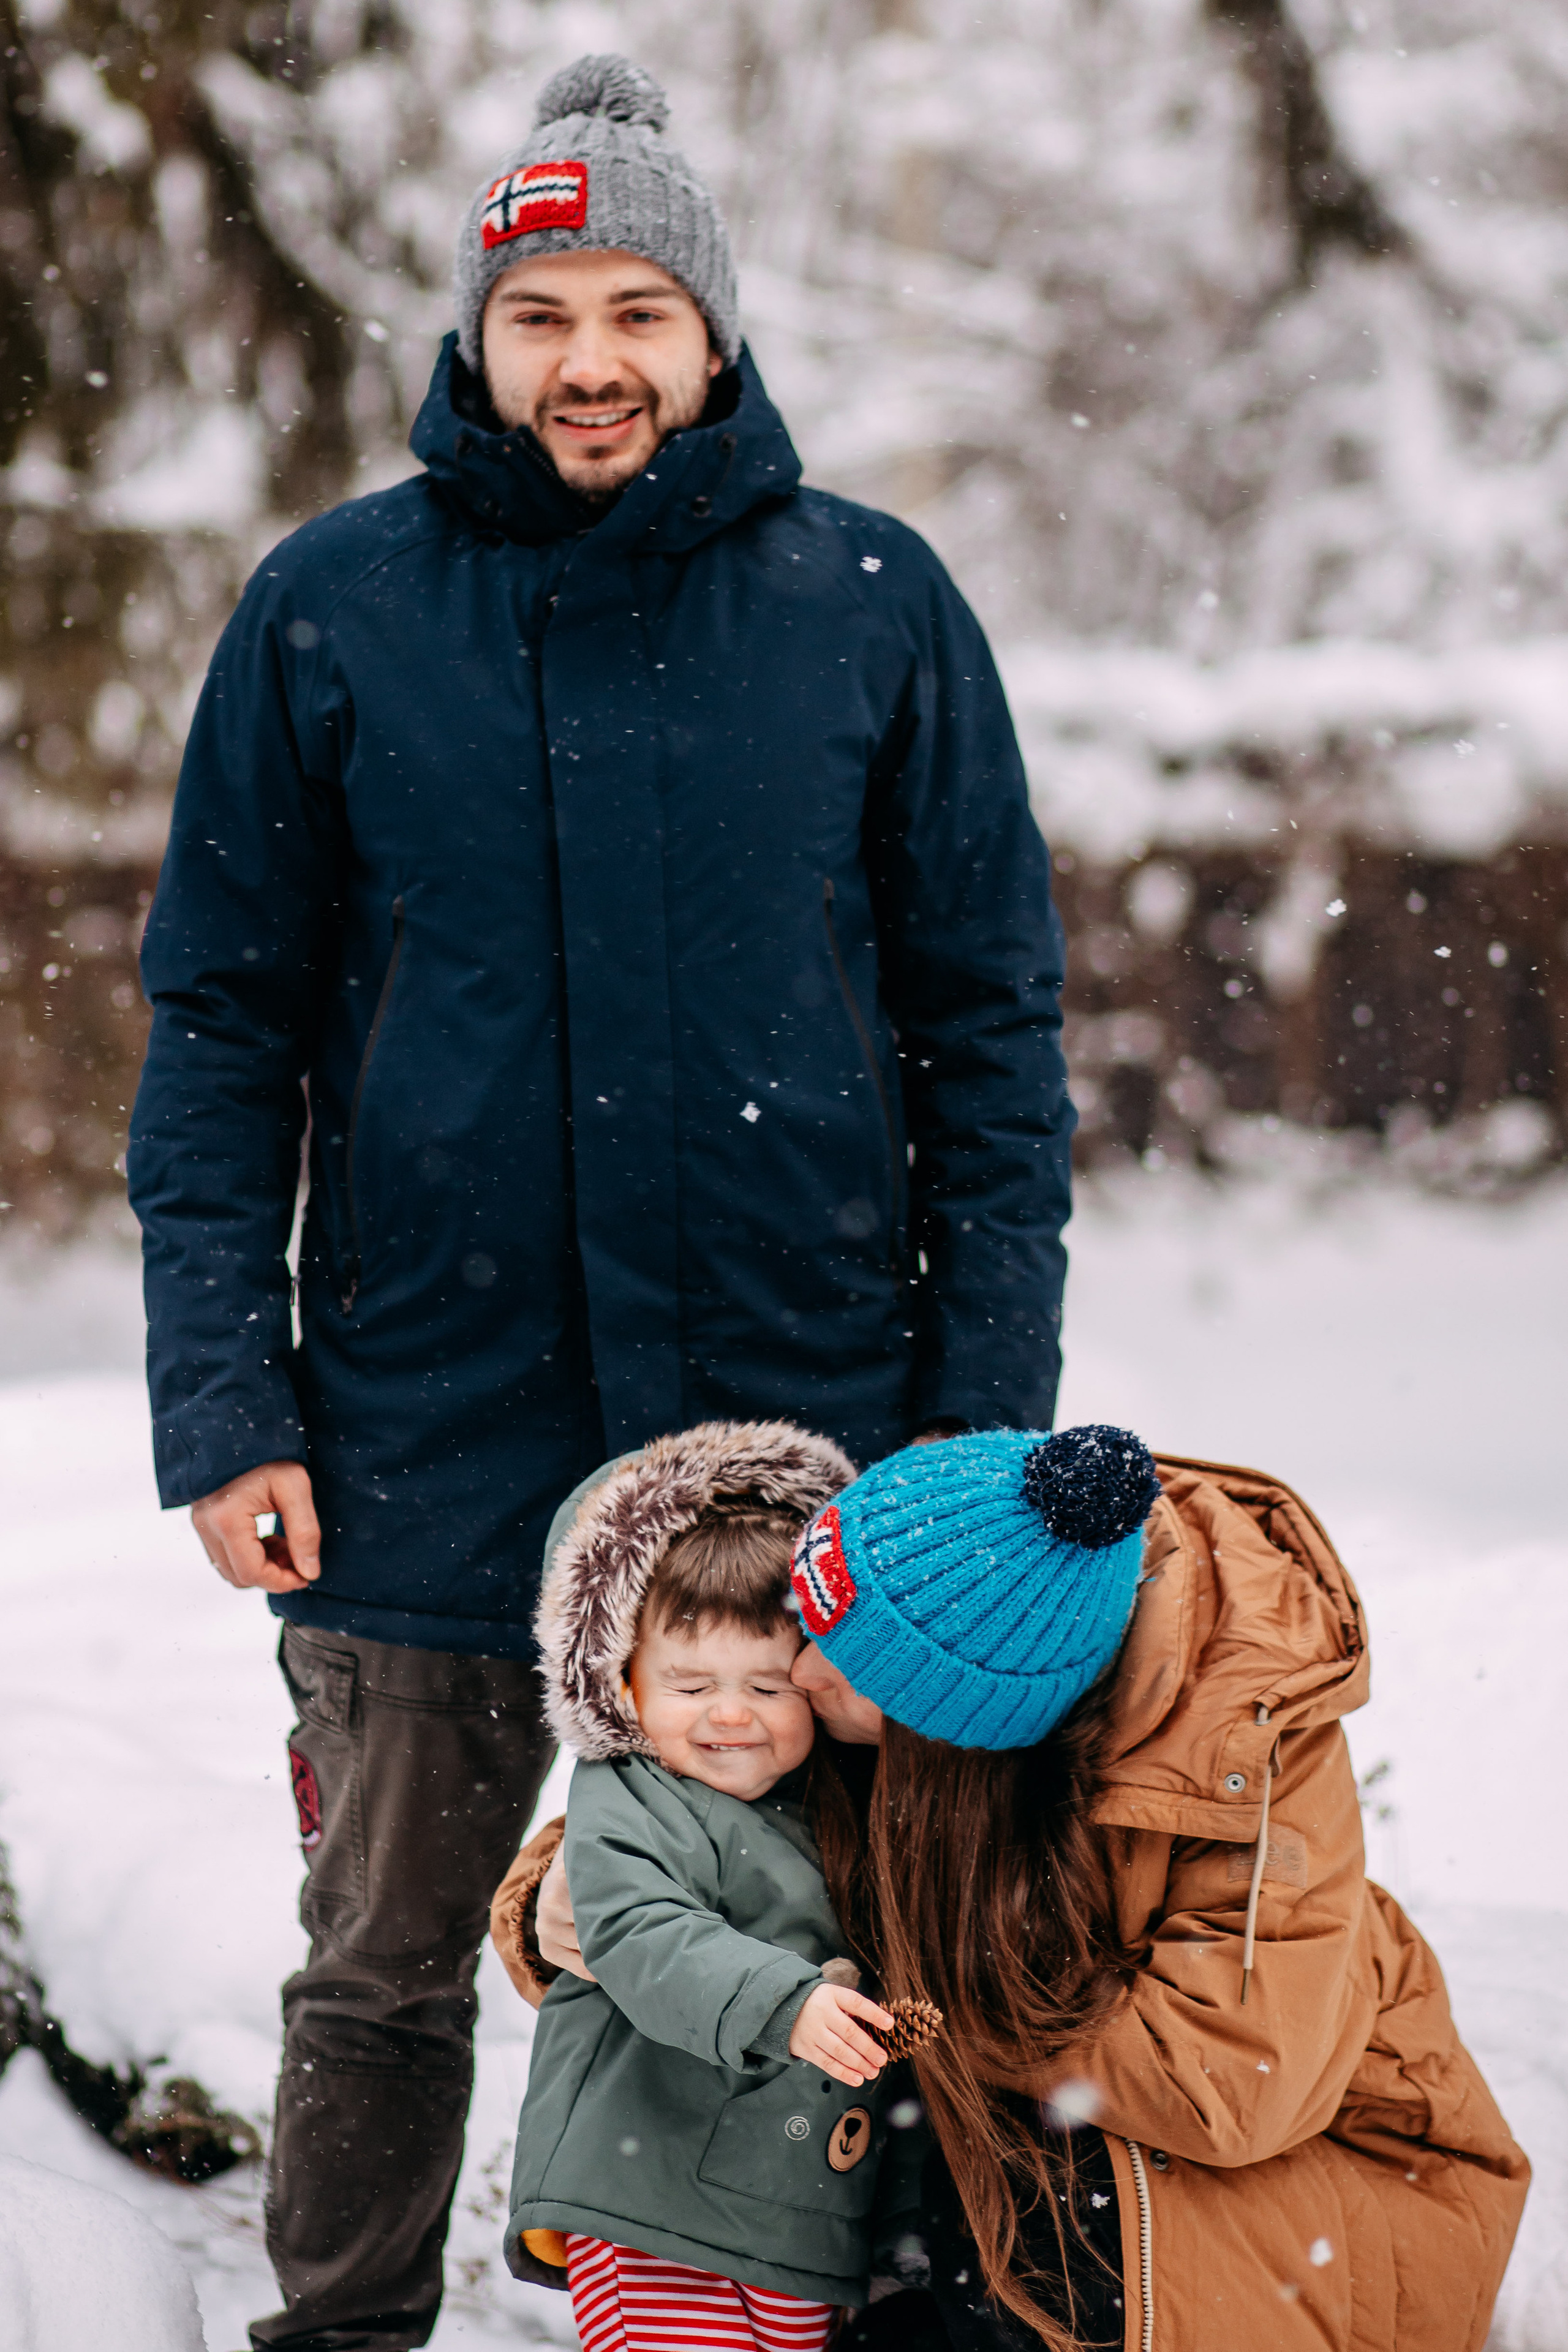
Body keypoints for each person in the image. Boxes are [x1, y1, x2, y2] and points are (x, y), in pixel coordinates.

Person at [126, 48, 1073, 2352]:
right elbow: (221, 1025)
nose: (591, 360)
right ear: (477, 336)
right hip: (424, 1419)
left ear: (716, 336)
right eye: (542, 309)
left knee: (870, 1946)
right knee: (383, 1967)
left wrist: (969, 1430)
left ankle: (881, 2315)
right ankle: (342, 2329)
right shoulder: (335, 605)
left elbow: (995, 1040)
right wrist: (227, 1399)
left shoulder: (873, 605)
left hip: (798, 1422)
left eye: (638, 307)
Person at [524, 1427, 1531, 2351]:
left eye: (846, 1665)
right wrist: (553, 1902)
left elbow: (1231, 2084)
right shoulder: (951, 1552)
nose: (803, 1671)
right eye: (810, 1623)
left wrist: (930, 2002)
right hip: (1025, 2132)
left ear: (959, 1739)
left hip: (1305, 2196)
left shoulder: (1245, 1750)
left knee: (1021, 2240)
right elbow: (689, 1824)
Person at [499, 1419, 924, 2346]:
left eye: (770, 1689)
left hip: (797, 2207)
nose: (731, 1715)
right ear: (622, 1686)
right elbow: (642, 1931)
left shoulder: (833, 1793)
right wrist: (782, 2002)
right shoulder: (629, 1792)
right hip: (653, 2192)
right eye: (691, 1687)